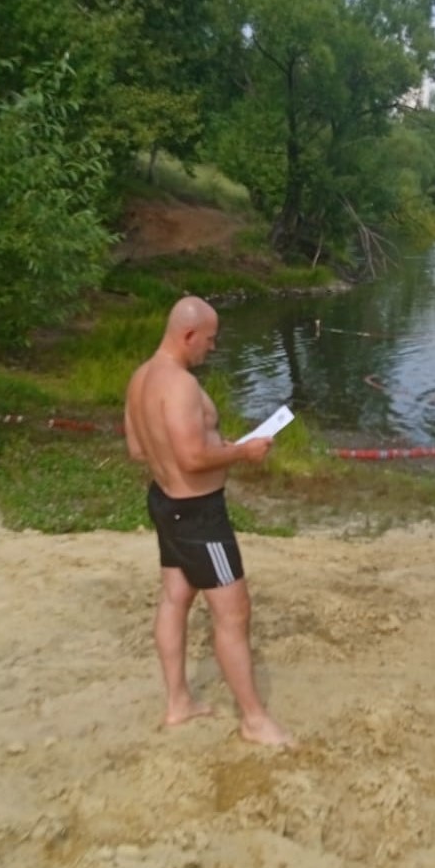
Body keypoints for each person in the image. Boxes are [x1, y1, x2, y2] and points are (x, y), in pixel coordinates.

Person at [124, 296, 293, 746]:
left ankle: (178, 702)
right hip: (199, 516)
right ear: (188, 335)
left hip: (165, 501)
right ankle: (254, 719)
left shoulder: (141, 377)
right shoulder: (180, 385)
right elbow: (193, 458)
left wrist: (214, 444)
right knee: (233, 614)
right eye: (210, 339)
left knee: (175, 597)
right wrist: (242, 452)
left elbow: (139, 449)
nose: (212, 348)